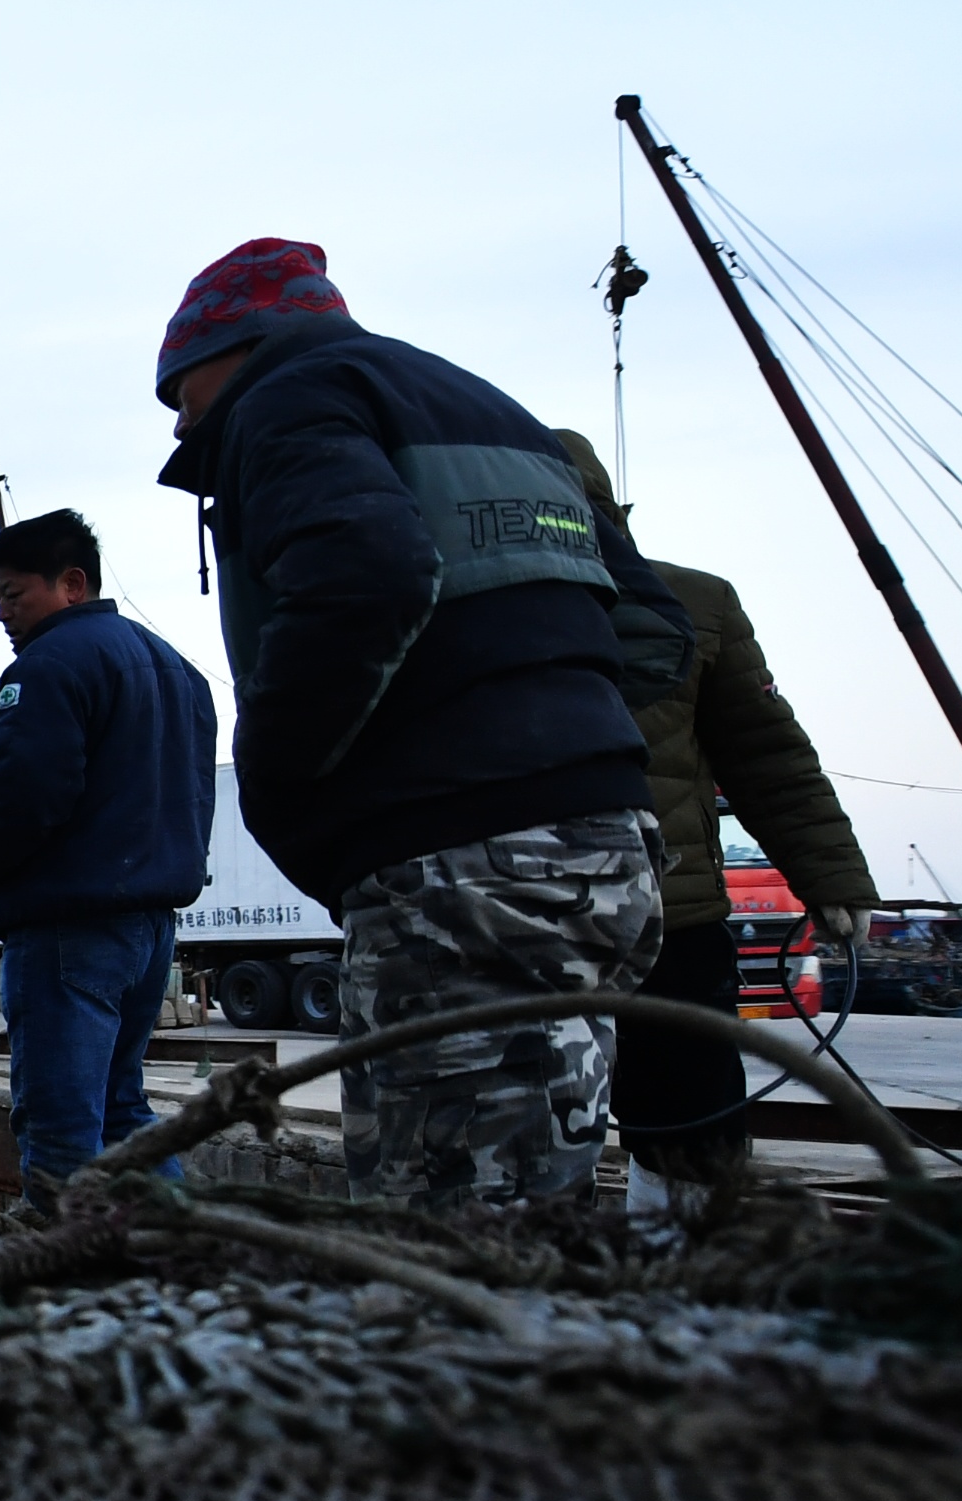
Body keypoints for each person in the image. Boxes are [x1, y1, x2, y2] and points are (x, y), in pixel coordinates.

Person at [151, 239, 692, 1205]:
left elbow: (371, 575)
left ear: (231, 348)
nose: (182, 418)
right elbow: (654, 631)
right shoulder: (497, 411)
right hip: (613, 854)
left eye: (178, 389)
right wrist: (550, 724)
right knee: (534, 1184)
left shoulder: (289, 401)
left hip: (457, 868)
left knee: (446, 1229)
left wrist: (282, 779)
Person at [555, 434, 878, 1206]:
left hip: (669, 920)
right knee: (528, 1132)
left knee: (691, 1130)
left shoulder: (696, 604)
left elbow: (767, 753)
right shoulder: (456, 602)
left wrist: (829, 873)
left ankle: (683, 1284)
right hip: (530, 922)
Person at [0, 509, 220, 1201]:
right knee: (124, 1112)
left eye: (13, 595)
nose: (4, 615)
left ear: (71, 583)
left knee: (60, 1130)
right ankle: (176, 1259)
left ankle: (57, 1285)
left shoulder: (47, 668)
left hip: (69, 929)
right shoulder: (179, 671)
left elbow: (22, 796)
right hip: (152, 926)